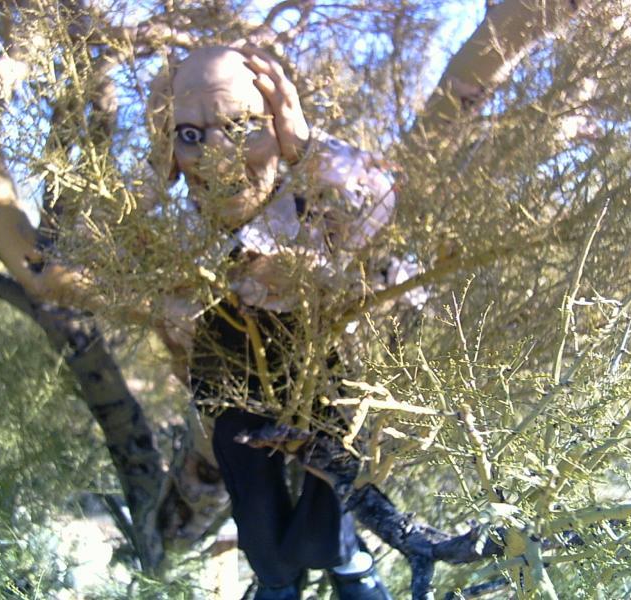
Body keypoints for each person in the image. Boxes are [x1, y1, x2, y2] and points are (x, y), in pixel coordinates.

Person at [149, 46, 398, 599]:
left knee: (329, 503)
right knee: (256, 513)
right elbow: (118, 253)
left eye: (241, 128)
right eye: (192, 135)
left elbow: (379, 199)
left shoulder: (313, 197)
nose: (217, 156)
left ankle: (345, 563)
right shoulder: (185, 228)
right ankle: (277, 582)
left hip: (323, 374)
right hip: (233, 378)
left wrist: (303, 143)